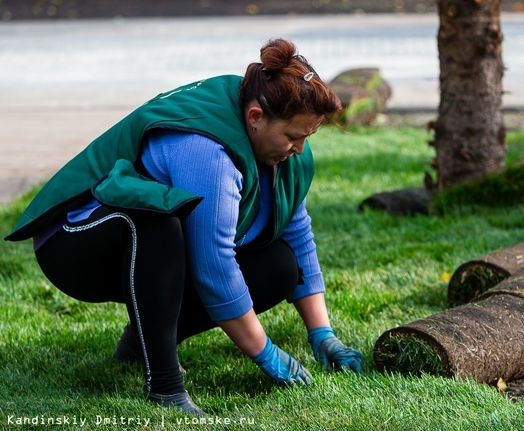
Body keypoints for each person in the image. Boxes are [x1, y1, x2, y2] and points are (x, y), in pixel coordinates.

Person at [5, 38, 364, 414]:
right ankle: (164, 385)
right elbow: (214, 266)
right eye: (294, 137)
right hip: (74, 243)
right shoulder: (207, 151)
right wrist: (265, 352)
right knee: (157, 223)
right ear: (256, 117)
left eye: (308, 137)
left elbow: (297, 234)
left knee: (279, 265)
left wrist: (323, 334)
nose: (300, 149)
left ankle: (142, 341)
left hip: (143, 250)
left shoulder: (277, 141)